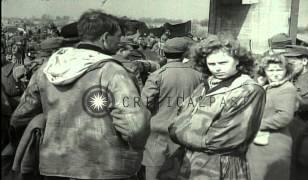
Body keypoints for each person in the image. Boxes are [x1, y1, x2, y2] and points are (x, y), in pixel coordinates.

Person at [9, 10, 150, 180]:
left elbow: (20, 117)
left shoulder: (46, 69)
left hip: (54, 166)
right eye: (118, 37)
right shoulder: (113, 71)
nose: (120, 42)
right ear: (105, 38)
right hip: (106, 169)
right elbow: (135, 127)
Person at [168, 35, 266, 180]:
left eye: (223, 62)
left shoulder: (248, 90)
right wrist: (180, 130)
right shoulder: (205, 85)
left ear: (238, 60)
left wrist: (180, 133)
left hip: (221, 165)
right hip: (190, 161)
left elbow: (221, 139)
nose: (217, 68)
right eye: (212, 64)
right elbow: (179, 117)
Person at [141, 37, 203, 180]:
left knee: (154, 174)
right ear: (185, 54)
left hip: (158, 136)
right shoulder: (198, 76)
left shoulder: (158, 75)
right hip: (186, 134)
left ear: (164, 53)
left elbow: (144, 105)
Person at [247, 54, 298, 180]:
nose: (275, 74)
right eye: (270, 70)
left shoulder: (286, 88)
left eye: (279, 70)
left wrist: (254, 125)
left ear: (287, 71)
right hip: (259, 142)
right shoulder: (267, 87)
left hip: (273, 144)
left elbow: (284, 117)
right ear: (264, 71)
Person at [283, 45, 308, 180]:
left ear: (304, 61)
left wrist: (307, 128)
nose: (288, 67)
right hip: (292, 124)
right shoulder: (291, 77)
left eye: (291, 63)